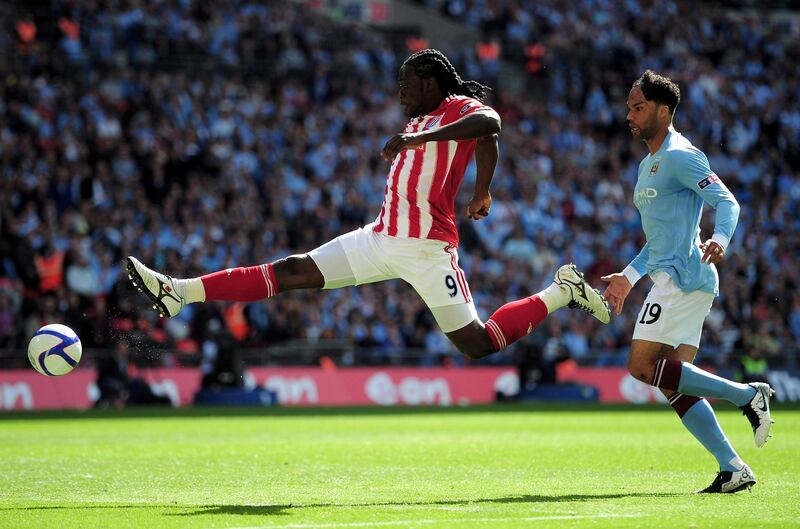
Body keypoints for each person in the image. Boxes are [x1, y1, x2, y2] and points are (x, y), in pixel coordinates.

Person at [126, 49, 610, 364]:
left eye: (405, 83)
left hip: (427, 249)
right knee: (292, 270)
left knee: (476, 344)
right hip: (379, 238)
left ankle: (562, 291)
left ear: (428, 82)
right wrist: (481, 189)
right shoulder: (424, 117)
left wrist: (441, 150)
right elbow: (486, 143)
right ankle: (180, 292)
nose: (399, 92)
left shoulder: (454, 110)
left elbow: (491, 124)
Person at [601, 70, 775, 494]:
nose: (630, 115)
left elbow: (726, 201)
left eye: (638, 107)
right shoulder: (647, 165)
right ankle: (733, 468)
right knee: (672, 381)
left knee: (642, 366)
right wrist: (627, 277)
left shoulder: (681, 155)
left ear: (664, 110)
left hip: (684, 278)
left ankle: (746, 394)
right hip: (675, 276)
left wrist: (720, 236)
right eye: (628, 107)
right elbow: (658, 241)